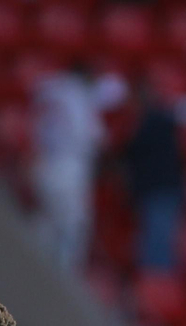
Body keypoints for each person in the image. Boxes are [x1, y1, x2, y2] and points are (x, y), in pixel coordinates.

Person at [31, 68, 127, 273]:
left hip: (46, 162)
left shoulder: (53, 89)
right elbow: (95, 138)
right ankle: (63, 276)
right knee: (73, 224)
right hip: (70, 167)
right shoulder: (79, 98)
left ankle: (33, 269)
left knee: (47, 221)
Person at [125, 81, 186, 273]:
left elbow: (135, 151)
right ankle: (155, 282)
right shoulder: (151, 121)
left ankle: (158, 282)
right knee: (155, 236)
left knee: (158, 238)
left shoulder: (156, 121)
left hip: (162, 188)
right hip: (157, 188)